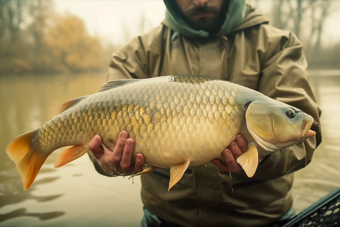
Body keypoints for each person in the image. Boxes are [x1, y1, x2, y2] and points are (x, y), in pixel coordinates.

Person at [88, 0, 322, 226]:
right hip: (165, 219)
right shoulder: (136, 54)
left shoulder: (278, 44)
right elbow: (96, 135)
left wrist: (263, 157)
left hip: (262, 220)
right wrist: (106, 162)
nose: (199, 1)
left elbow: (305, 136)